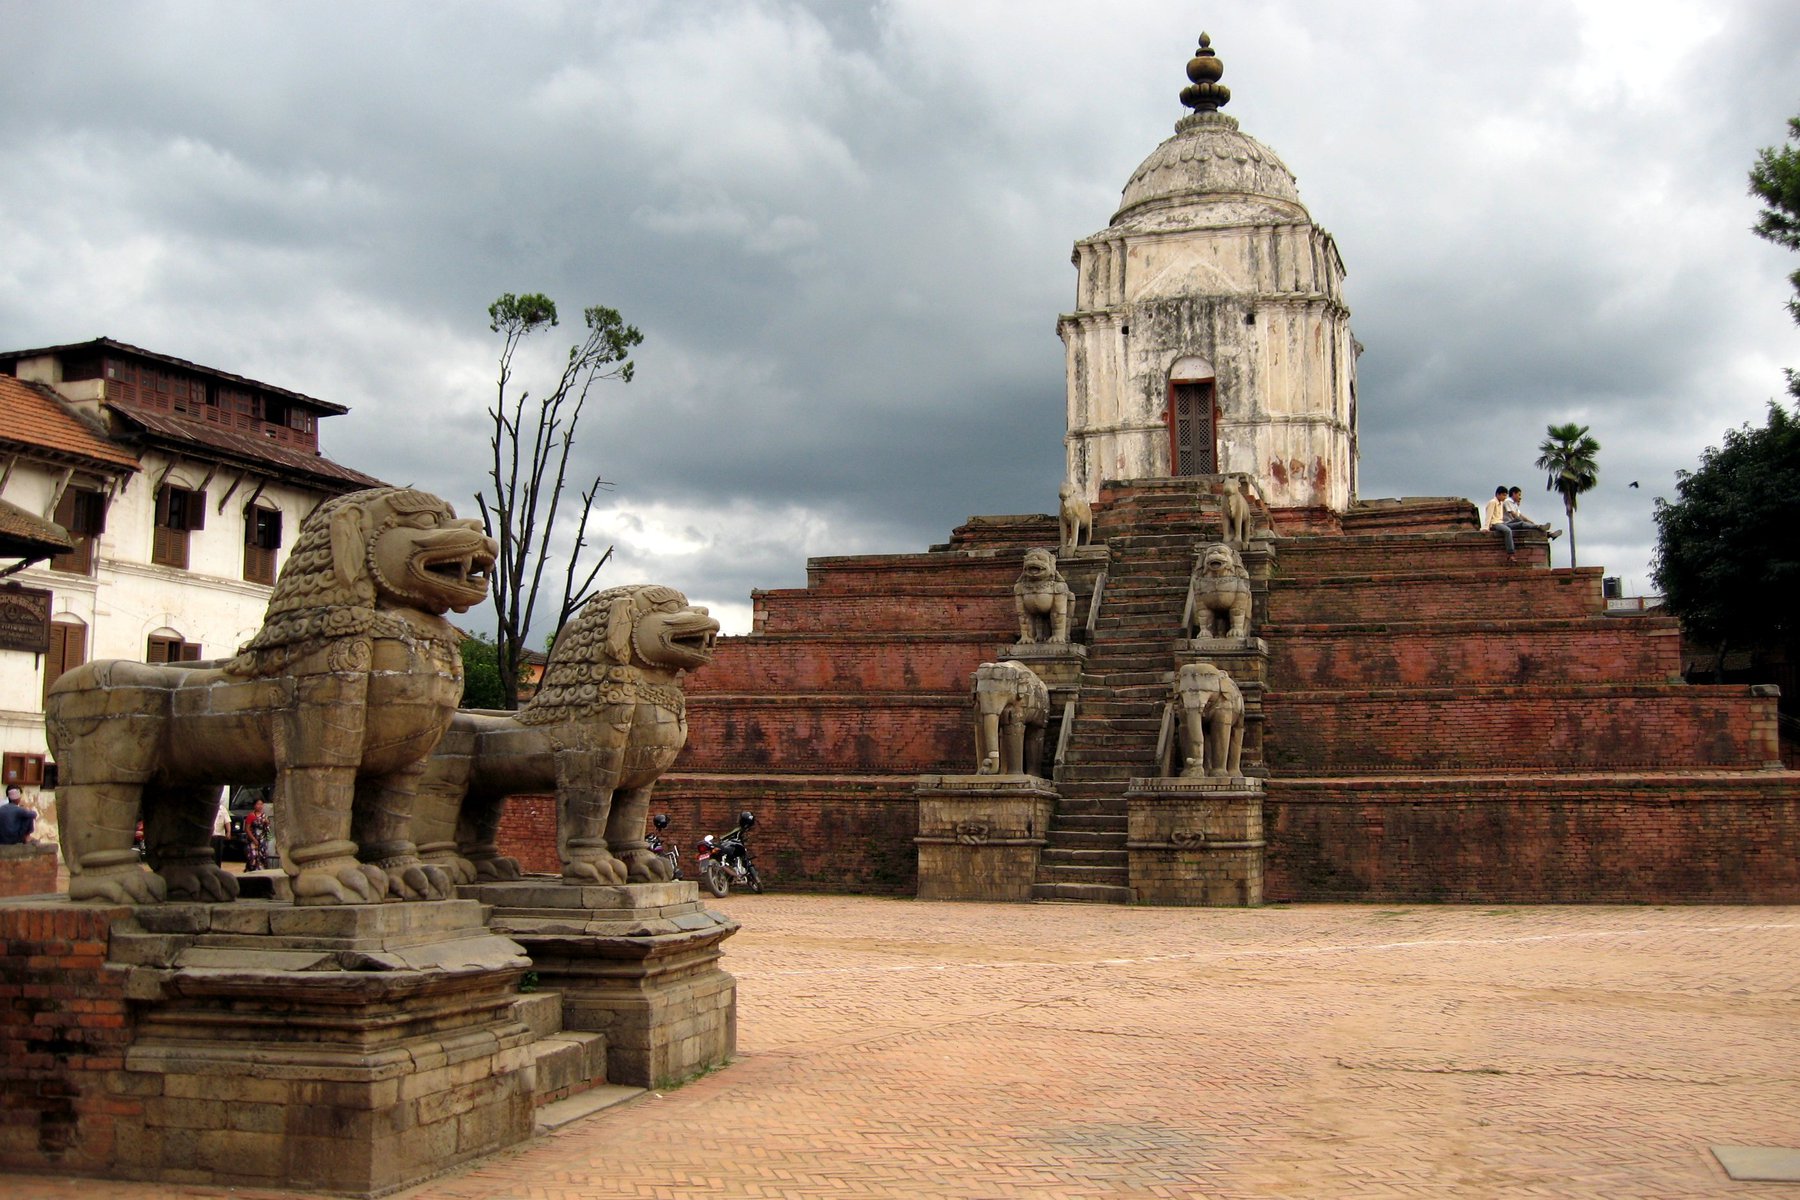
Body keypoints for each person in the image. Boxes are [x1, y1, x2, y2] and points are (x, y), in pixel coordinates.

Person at [1481, 485, 1519, 560]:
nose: (1505, 497)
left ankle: (1537, 527)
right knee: (1508, 531)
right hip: (1495, 523)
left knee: (1519, 523)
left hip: (1501, 522)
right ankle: (1510, 553)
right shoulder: (1492, 502)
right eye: (1504, 495)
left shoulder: (1501, 503)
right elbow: (1489, 515)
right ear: (1498, 494)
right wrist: (1486, 527)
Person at [243, 796, 268, 870]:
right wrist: (254, 839)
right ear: (254, 805)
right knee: (252, 857)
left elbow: (267, 829)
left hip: (262, 840)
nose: (260, 806)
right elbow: (247, 829)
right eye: (258, 804)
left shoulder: (265, 816)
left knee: (262, 857)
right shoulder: (251, 816)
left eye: (261, 804)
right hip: (253, 840)